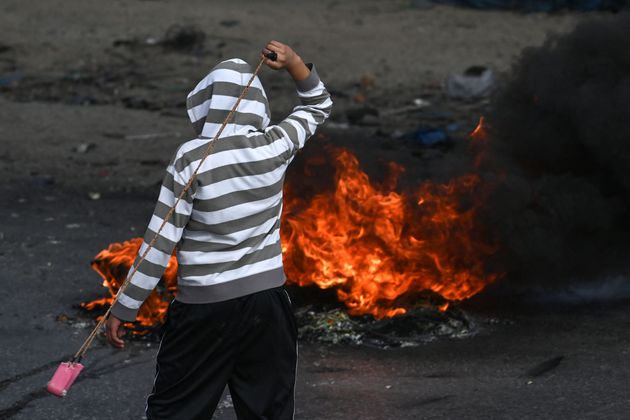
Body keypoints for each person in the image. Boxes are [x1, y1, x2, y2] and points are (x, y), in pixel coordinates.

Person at [104, 40, 332, 419]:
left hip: (203, 311)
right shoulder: (275, 145)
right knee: (268, 411)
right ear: (258, 104)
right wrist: (293, 63)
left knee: (177, 410)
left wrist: (124, 307)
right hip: (269, 305)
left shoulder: (191, 159)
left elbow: (159, 243)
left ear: (207, 103)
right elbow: (318, 105)